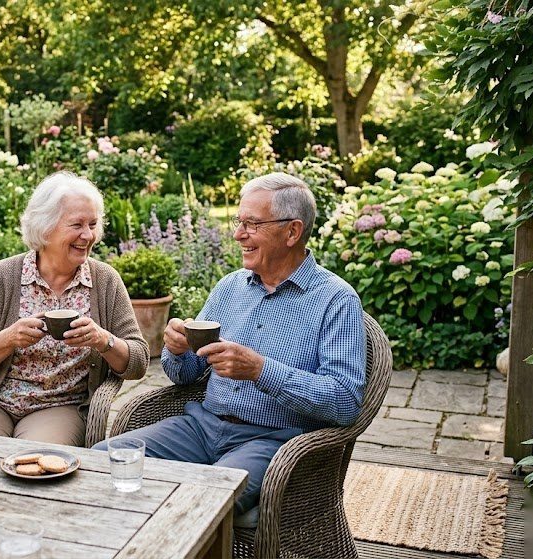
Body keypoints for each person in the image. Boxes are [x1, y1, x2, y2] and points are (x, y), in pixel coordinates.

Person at [95, 172, 366, 526]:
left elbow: (345, 402)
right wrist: (178, 349)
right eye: (240, 222)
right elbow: (186, 376)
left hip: (272, 441)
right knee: (101, 463)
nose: (238, 234)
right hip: (200, 428)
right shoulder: (230, 287)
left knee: (201, 501)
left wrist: (260, 370)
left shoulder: (336, 300)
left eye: (252, 224)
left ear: (292, 232)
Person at [0, 171, 150, 446]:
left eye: (93, 224)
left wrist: (102, 340)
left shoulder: (105, 281)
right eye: (76, 225)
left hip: (58, 407)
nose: (88, 235)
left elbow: (139, 362)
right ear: (45, 228)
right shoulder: (3, 275)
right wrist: (9, 338)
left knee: (41, 461)